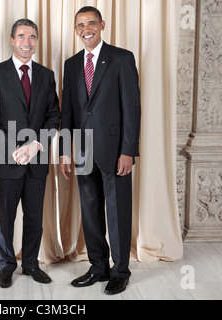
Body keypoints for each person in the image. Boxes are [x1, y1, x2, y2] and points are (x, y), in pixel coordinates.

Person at [59, 6, 141, 295]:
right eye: (80, 25)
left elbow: (132, 109)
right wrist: (64, 152)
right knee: (90, 212)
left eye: (91, 23)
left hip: (115, 150)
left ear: (102, 25)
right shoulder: (70, 65)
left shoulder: (121, 58)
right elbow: (66, 112)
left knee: (117, 211)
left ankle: (120, 271)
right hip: (82, 151)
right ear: (76, 30)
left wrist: (128, 151)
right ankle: (98, 267)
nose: (86, 29)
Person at [0, 19, 61, 289]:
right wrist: (11, 150)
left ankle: (31, 264)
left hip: (37, 161)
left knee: (35, 217)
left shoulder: (46, 75)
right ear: (12, 40)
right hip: (7, 161)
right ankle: (5, 266)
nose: (27, 42)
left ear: (37, 41)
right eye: (22, 36)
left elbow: (54, 117)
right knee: (5, 216)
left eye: (33, 37)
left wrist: (36, 145)